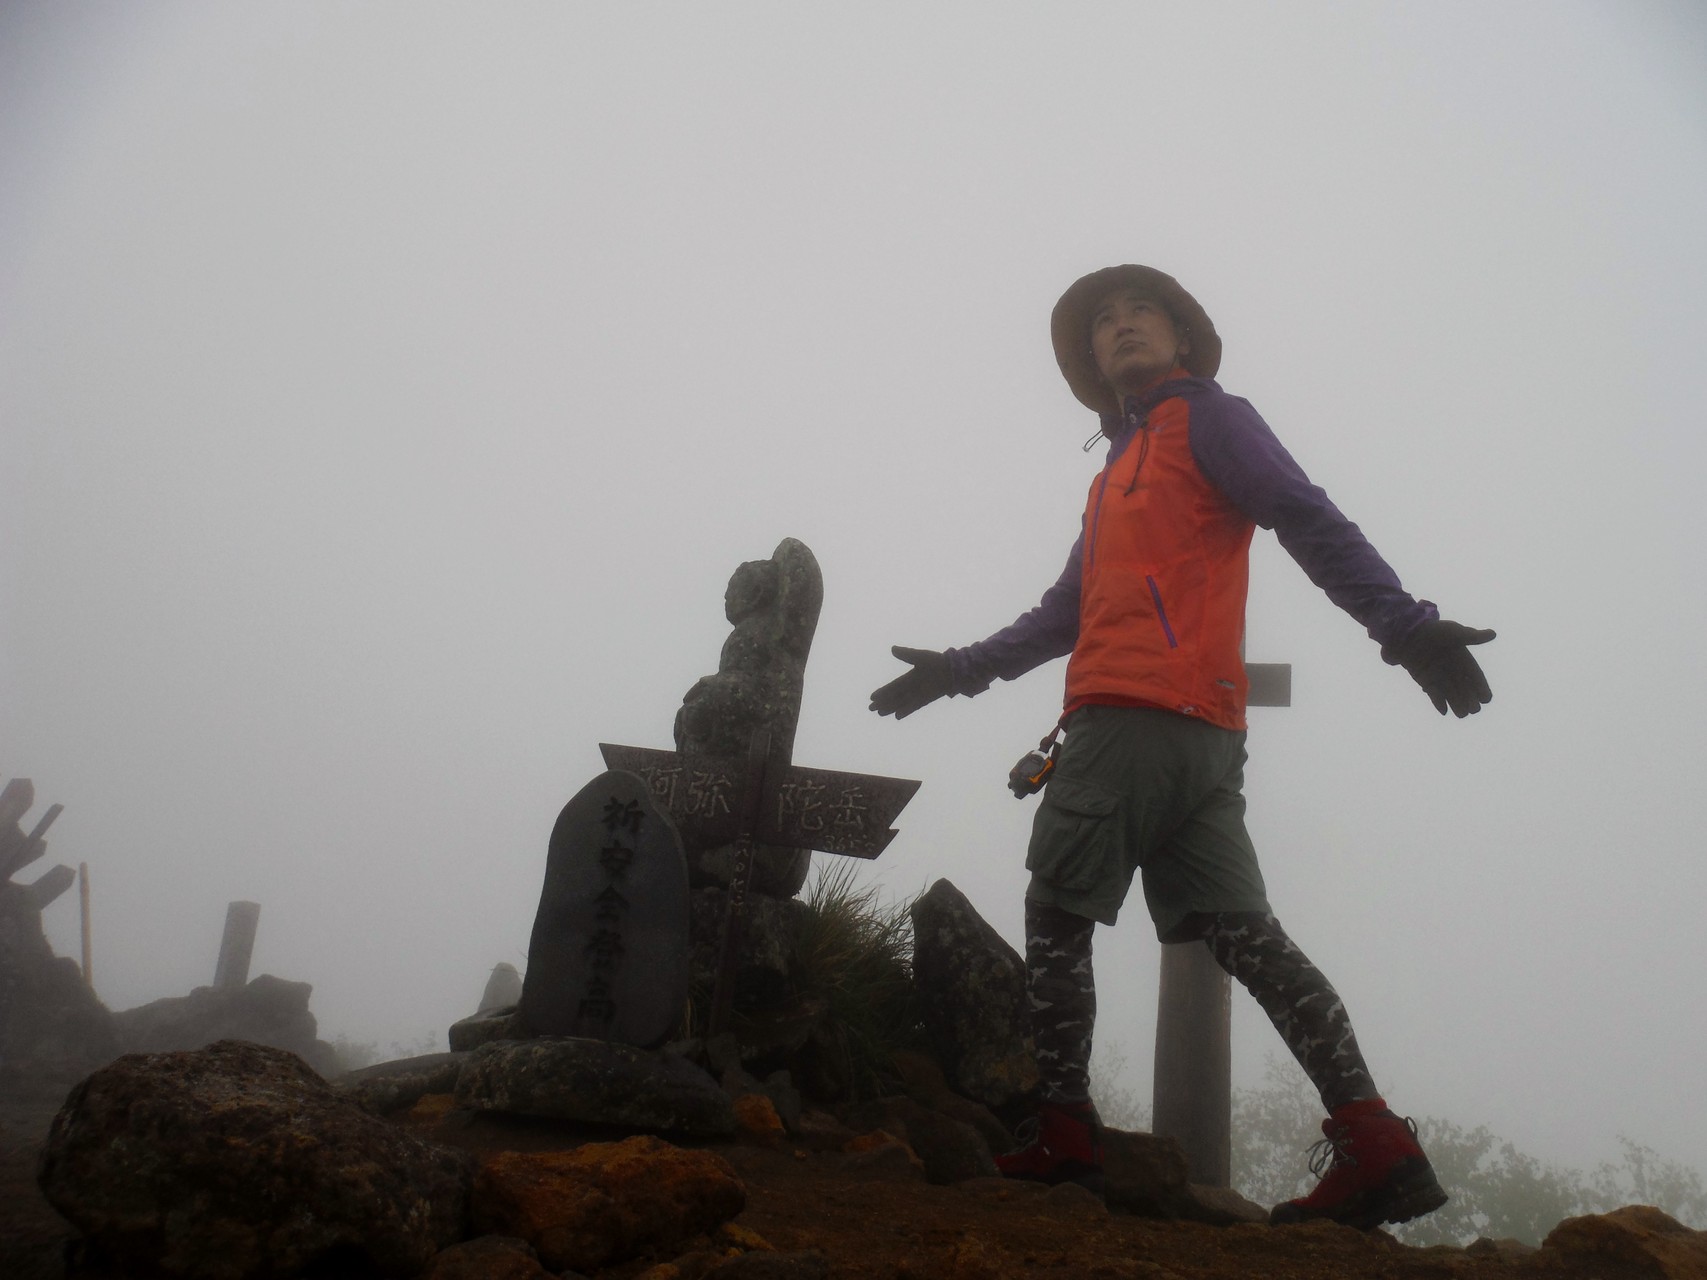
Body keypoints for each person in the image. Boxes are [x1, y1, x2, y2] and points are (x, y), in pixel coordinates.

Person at [869, 264, 1493, 1231]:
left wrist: (1402, 625)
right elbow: (1064, 611)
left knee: (1055, 915)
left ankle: (1063, 1136)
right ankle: (1375, 1142)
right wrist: (958, 668)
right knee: (1246, 936)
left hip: (1130, 718)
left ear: (1182, 339)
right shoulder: (1113, 473)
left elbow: (1303, 513)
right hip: (1206, 737)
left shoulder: (1208, 417)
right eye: (1102, 322)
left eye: (1139, 312)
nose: (1118, 328)